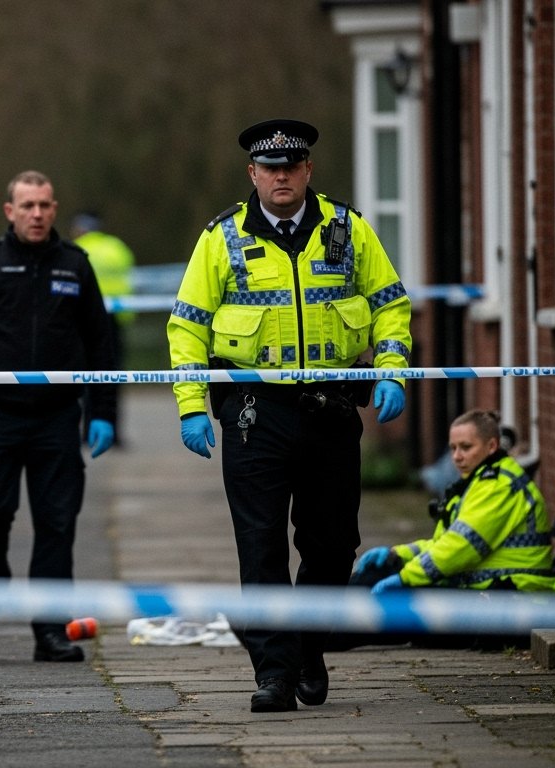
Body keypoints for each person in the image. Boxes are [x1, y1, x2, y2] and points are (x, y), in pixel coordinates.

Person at [166, 119, 412, 712]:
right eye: (269, 168)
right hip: (255, 413)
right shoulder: (220, 238)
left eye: (292, 166)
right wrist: (192, 405)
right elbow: (187, 327)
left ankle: (305, 646)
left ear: (308, 171)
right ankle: (274, 673)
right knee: (261, 548)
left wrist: (392, 369)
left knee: (334, 546)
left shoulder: (348, 229)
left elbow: (391, 306)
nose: (281, 176)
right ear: (253, 174)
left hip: (330, 409)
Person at [0, 171, 117, 662]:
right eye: (27, 205)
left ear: (54, 208)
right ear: (9, 211)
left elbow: (102, 345)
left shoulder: (76, 266)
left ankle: (50, 631)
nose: (36, 214)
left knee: (58, 524)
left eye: (44, 205)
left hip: (57, 418)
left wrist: (102, 413)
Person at [360, 410, 555, 595]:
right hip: (490, 588)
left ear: (491, 446)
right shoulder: (476, 482)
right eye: (453, 448)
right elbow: (445, 542)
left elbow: (459, 547)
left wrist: (405, 577)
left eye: (466, 447)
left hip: (514, 595)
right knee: (370, 576)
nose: (456, 457)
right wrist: (398, 554)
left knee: (379, 597)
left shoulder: (499, 486)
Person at [71, 211, 135, 443]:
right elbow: (127, 283)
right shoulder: (117, 248)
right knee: (113, 377)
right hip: (114, 321)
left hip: (83, 322)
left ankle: (87, 431)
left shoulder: (76, 249)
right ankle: (112, 431)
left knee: (85, 378)